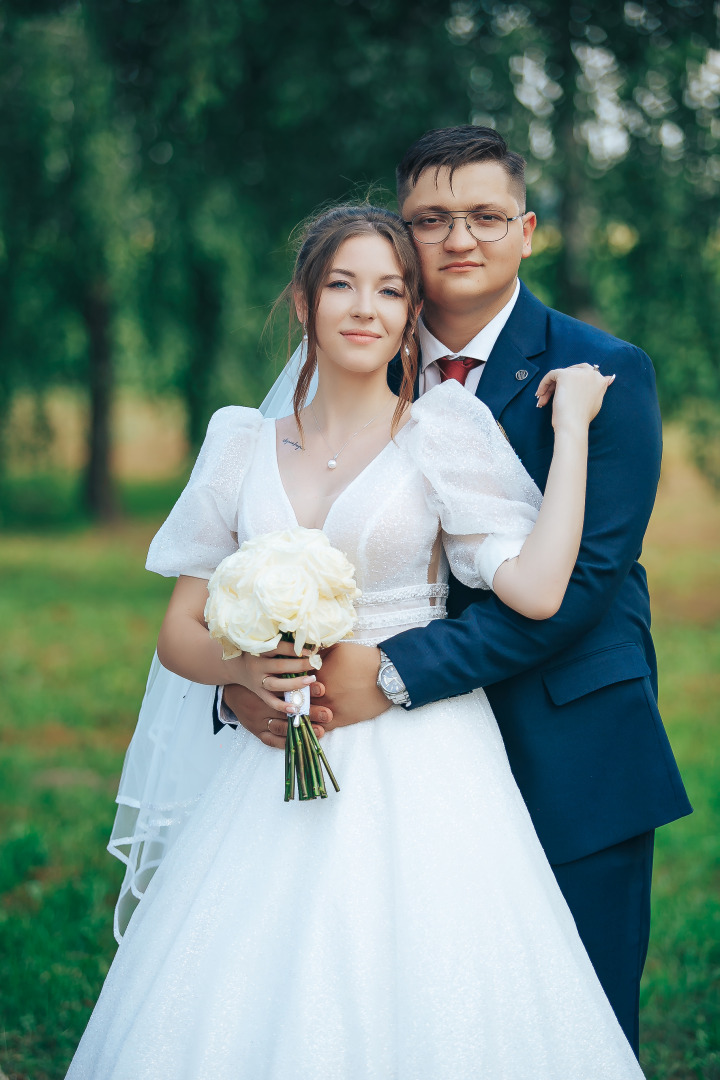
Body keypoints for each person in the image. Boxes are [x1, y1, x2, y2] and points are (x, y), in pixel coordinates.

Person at [66, 203, 644, 1079]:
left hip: (424, 757)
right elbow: (179, 633)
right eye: (342, 284)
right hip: (275, 764)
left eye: (390, 289)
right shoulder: (238, 444)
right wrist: (244, 667)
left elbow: (535, 587)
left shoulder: (442, 431)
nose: (365, 308)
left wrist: (569, 437)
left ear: (412, 312)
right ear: (304, 302)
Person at [222, 127, 692, 1056]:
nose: (459, 239)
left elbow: (588, 585)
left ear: (525, 231)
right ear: (401, 237)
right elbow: (271, 538)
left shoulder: (602, 371)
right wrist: (248, 679)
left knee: (569, 1029)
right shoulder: (357, 362)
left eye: (484, 216)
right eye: (431, 219)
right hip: (389, 773)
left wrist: (390, 675)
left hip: (568, 746)